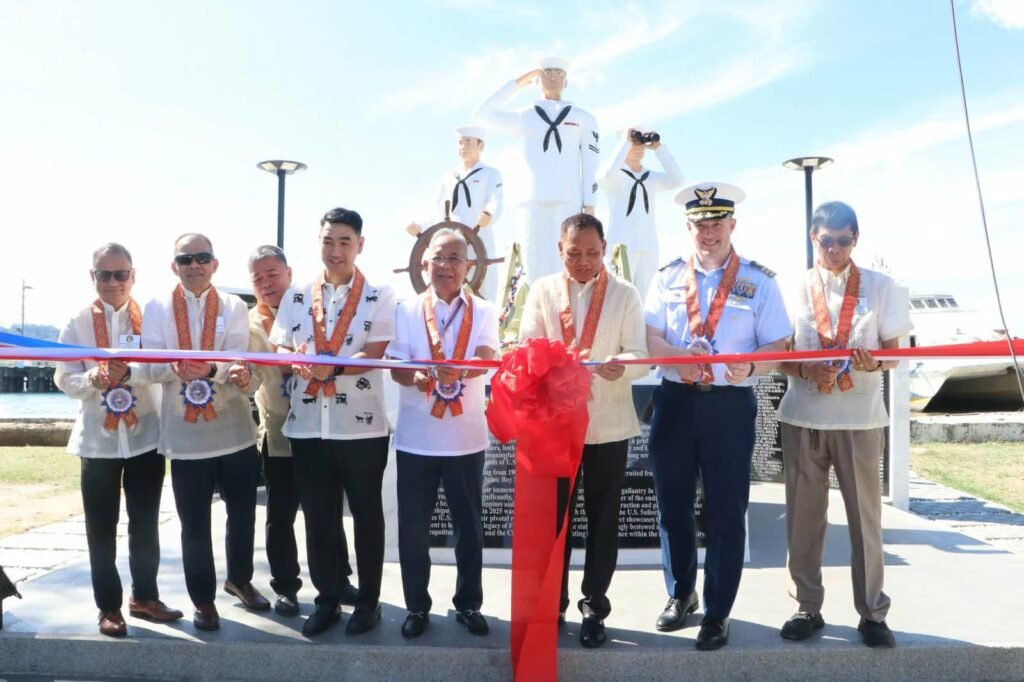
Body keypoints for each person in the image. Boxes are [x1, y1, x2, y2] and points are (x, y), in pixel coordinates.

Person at [644, 183, 792, 650]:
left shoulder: (759, 280)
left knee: (726, 511)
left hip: (728, 406)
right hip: (675, 401)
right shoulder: (667, 276)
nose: (708, 233)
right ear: (688, 227)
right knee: (672, 506)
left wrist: (754, 366)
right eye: (699, 225)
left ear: (733, 225)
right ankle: (681, 593)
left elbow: (778, 345)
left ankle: (717, 611)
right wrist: (677, 360)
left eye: (716, 224)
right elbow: (651, 337)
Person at [776, 201, 912, 649]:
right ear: (812, 239)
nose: (834, 249)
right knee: (803, 520)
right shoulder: (793, 287)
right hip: (804, 416)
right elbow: (779, 355)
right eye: (826, 241)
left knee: (865, 520)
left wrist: (876, 362)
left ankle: (872, 612)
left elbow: (896, 353)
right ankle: (806, 606)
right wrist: (804, 369)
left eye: (843, 241)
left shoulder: (881, 286)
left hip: (859, 419)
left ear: (856, 240)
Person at [518, 213, 649, 648]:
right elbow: (528, 345)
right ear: (560, 249)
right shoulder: (542, 290)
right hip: (555, 426)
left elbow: (640, 354)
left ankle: (594, 607)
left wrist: (622, 366)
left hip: (608, 426)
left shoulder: (625, 293)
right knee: (555, 522)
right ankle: (551, 603)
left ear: (605, 249)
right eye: (574, 253)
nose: (583, 261)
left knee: (603, 520)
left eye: (592, 252)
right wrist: (551, 364)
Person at [270, 208, 397, 637]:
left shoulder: (380, 295)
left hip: (360, 427)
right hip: (308, 425)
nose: (335, 250)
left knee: (366, 516)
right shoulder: (297, 295)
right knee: (318, 517)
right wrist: (296, 361)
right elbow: (281, 348)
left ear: (360, 245)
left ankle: (368, 602)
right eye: (328, 240)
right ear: (319, 242)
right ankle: (326, 599)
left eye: (345, 241)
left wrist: (333, 368)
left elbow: (376, 352)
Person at [140, 233, 267, 632]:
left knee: (243, 514)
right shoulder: (156, 307)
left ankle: (240, 579)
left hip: (235, 429)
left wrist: (211, 369)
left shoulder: (234, 305)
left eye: (202, 257)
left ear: (215, 263)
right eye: (185, 259)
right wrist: (173, 368)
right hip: (184, 436)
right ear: (173, 266)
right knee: (194, 524)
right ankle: (203, 600)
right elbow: (146, 367)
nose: (194, 265)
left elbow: (237, 360)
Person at [54, 243, 183, 637]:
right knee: (101, 529)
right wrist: (91, 379)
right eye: (104, 275)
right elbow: (64, 379)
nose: (113, 282)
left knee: (145, 524)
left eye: (120, 274)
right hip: (98, 441)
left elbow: (169, 368)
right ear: (92, 277)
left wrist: (133, 373)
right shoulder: (76, 322)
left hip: (145, 436)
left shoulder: (154, 320)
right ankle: (108, 607)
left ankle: (145, 597)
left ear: (133, 275)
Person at [388, 228, 499, 639]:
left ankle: (469, 604)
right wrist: (417, 376)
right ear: (425, 263)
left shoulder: (484, 310)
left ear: (468, 267)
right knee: (413, 528)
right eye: (438, 257)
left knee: (469, 527)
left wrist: (462, 370)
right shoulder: (406, 310)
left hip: (466, 438)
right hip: (416, 438)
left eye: (454, 258)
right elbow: (396, 367)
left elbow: (487, 355)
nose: (445, 266)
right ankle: (416, 606)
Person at [247, 245, 359, 617]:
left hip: (321, 425)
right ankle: (286, 587)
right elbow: (257, 372)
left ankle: (339, 579)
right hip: (279, 429)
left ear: (289, 273)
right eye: (258, 278)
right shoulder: (250, 323)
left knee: (327, 508)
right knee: (281, 513)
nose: (266, 283)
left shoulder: (314, 309)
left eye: (272, 274)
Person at [474, 57, 600, 282]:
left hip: (568, 199)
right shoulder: (525, 116)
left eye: (559, 73)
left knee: (569, 265)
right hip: (531, 200)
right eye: (547, 72)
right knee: (533, 268)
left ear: (566, 81)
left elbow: (591, 163)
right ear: (537, 79)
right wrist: (520, 82)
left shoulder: (583, 118)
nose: (553, 77)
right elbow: (482, 114)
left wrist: (590, 204)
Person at [407, 126, 504, 301]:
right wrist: (420, 226)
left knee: (484, 291)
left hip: (479, 242)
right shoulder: (448, 178)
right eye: (460, 143)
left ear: (481, 145)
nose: (463, 147)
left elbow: (496, 200)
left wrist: (489, 214)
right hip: (451, 246)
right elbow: (436, 211)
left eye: (468, 142)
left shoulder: (491, 174)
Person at [597, 127, 684, 301]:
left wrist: (659, 148)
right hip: (621, 247)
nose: (638, 148)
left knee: (647, 301)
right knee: (619, 299)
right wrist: (625, 141)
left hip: (648, 247)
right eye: (633, 143)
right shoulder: (614, 176)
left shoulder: (650, 177)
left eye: (641, 143)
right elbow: (605, 176)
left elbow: (677, 179)